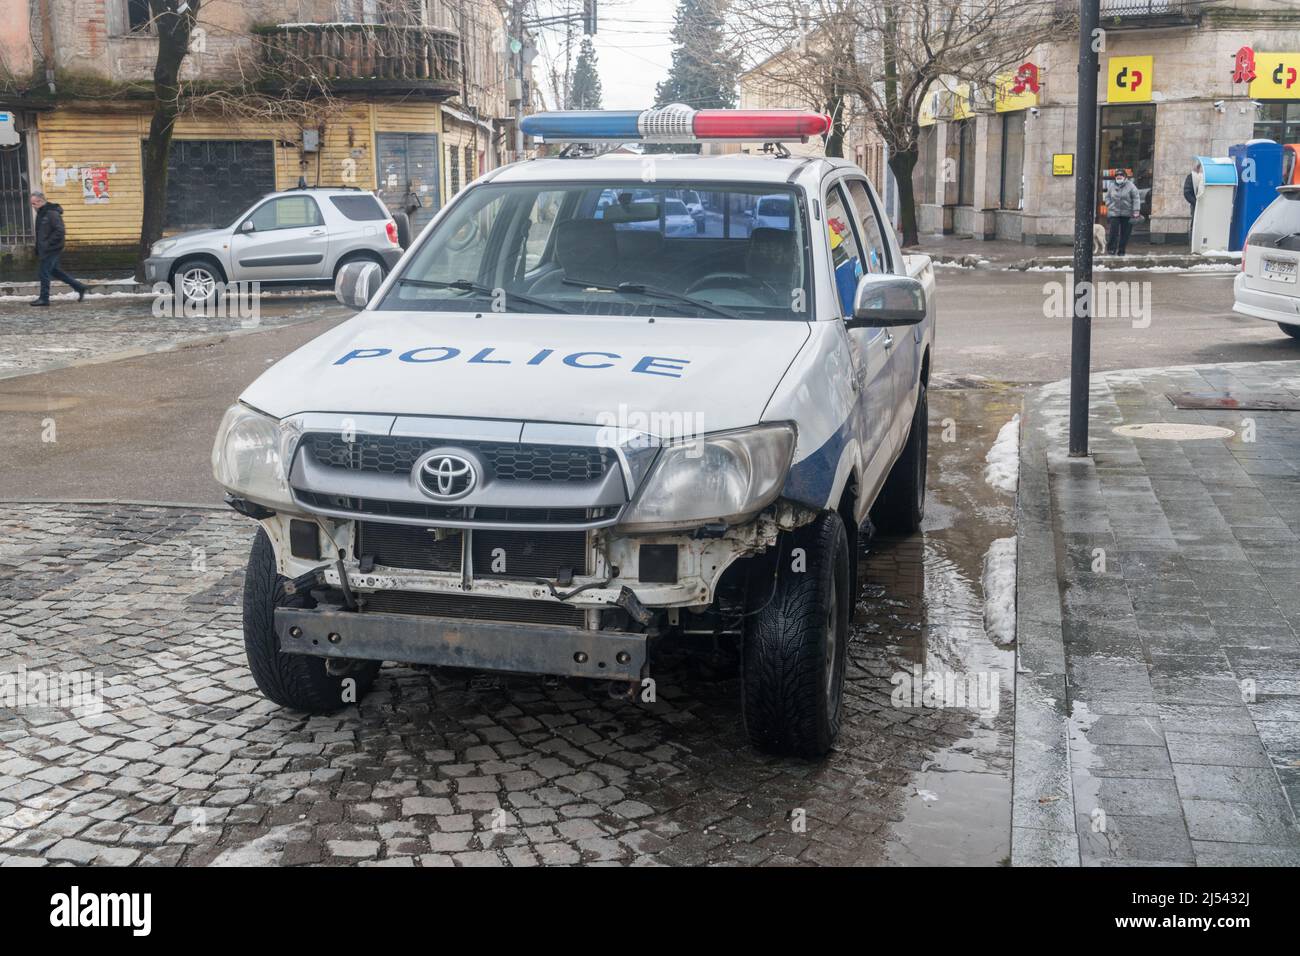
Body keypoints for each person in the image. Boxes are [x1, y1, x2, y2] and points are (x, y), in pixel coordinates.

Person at [30, 189, 87, 306]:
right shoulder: (41, 212)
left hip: (52, 248)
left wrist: (47, 244)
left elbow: (60, 231)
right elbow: (40, 232)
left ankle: (44, 299)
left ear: (40, 201)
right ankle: (80, 287)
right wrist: (38, 247)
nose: (32, 206)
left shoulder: (51, 213)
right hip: (46, 248)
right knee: (55, 272)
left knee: (44, 272)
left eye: (34, 203)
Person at [1104, 172, 1142, 256]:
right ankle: (1111, 250)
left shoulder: (1131, 186)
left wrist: (1136, 211)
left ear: (1125, 177)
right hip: (1114, 213)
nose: (1119, 177)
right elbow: (1107, 197)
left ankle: (1121, 251)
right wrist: (1109, 205)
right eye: (1117, 176)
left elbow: (1136, 198)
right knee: (1113, 232)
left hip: (1127, 213)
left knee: (1125, 234)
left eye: (1121, 176)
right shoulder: (1111, 186)